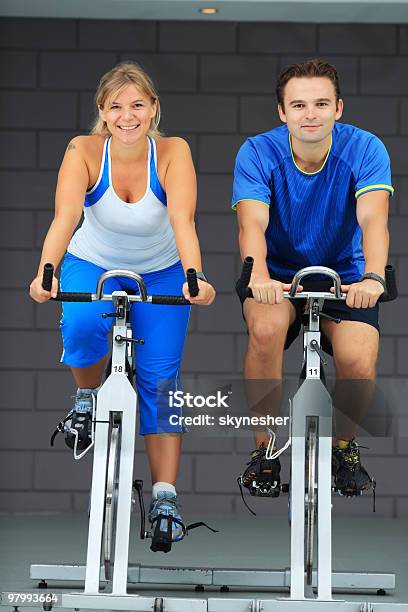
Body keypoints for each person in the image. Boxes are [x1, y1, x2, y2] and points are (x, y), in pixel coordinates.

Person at [29, 61, 215, 541]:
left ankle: (166, 498)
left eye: (137, 105)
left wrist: (195, 277)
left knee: (160, 379)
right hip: (92, 261)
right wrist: (46, 272)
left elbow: (183, 220)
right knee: (83, 326)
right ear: (103, 111)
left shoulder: (173, 151)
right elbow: (65, 215)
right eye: (116, 106)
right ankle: (86, 397)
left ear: (154, 108)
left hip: (164, 269)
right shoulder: (84, 150)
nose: (127, 116)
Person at [232, 59, 393, 500]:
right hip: (278, 274)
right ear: (281, 112)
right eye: (298, 104)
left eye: (321, 103)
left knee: (359, 359)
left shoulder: (365, 148)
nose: (310, 114)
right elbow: (252, 226)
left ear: (338, 108)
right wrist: (260, 276)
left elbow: (373, 219)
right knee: (264, 330)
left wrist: (374, 277)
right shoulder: (258, 152)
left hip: (346, 275)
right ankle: (264, 450)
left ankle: (344, 447)